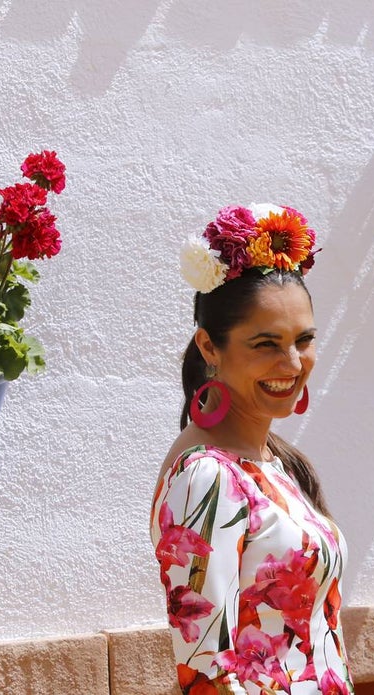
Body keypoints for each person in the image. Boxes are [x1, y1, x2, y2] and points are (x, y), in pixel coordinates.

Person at [150, 204, 353, 694]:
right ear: (209, 347)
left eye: (303, 340)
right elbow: (206, 672)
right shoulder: (207, 477)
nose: (291, 362)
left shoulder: (274, 464)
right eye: (265, 343)